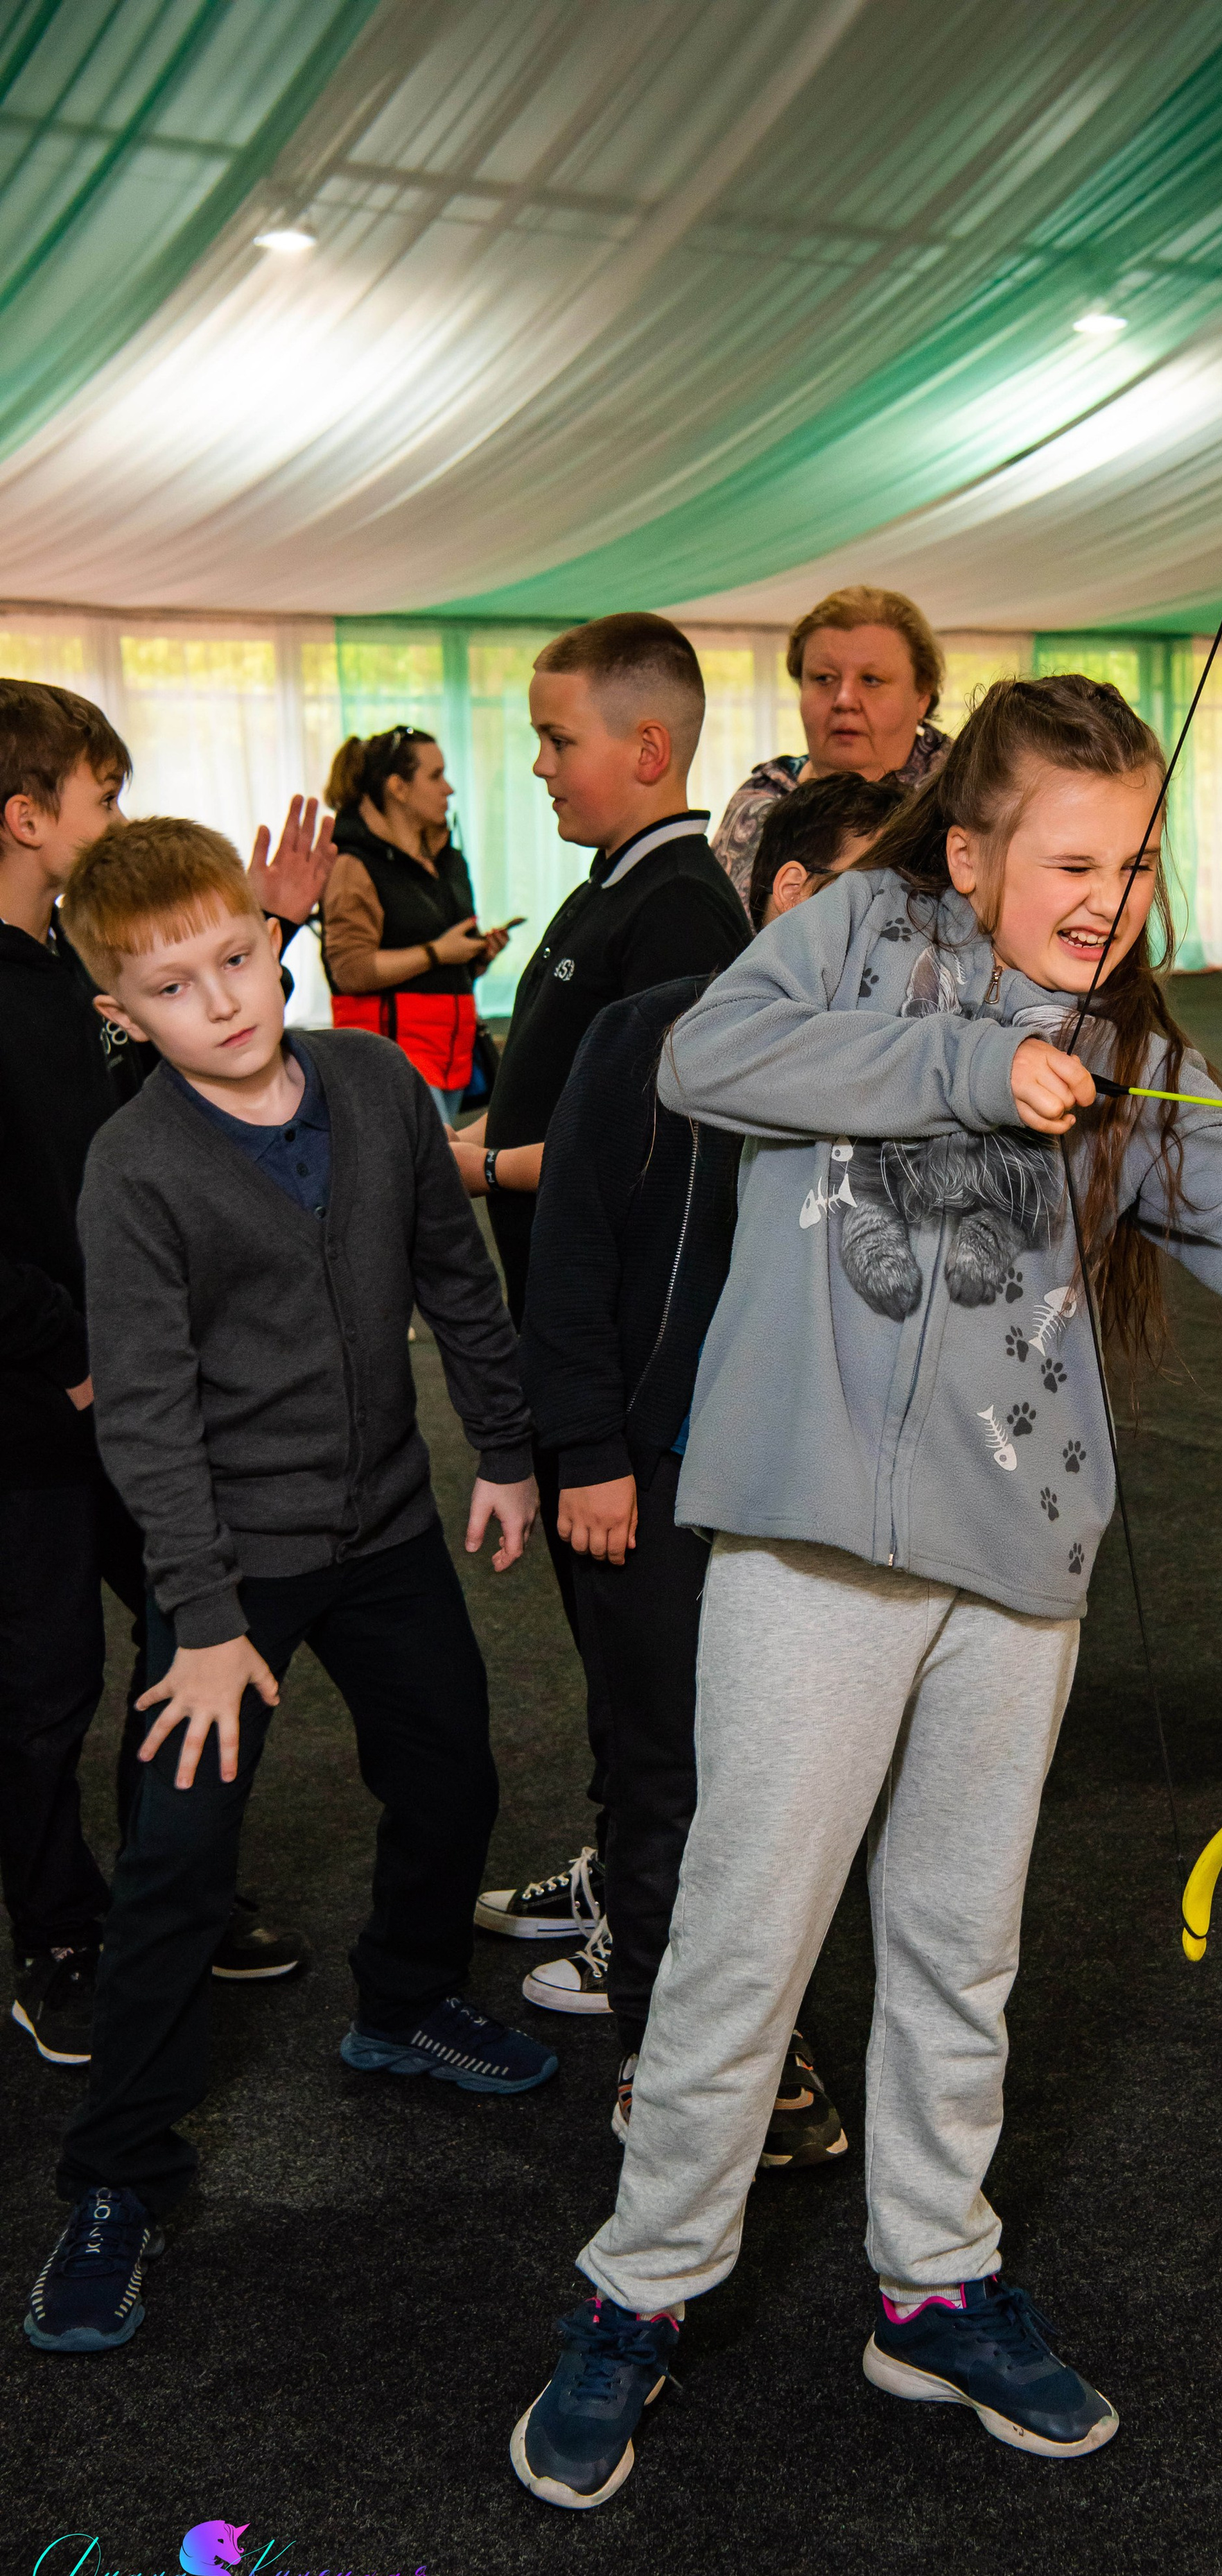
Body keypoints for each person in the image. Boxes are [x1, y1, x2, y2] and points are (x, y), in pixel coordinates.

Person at [505, 674, 1222, 2508]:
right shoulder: (858, 938)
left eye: (1140, 858)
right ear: (971, 851)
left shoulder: (1132, 1050)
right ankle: (642, 2290)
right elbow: (708, 1061)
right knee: (740, 1942)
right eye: (1073, 857)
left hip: (1018, 1564)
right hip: (815, 1559)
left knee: (959, 1939)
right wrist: (965, 1061)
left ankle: (931, 2281)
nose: (1111, 894)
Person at [24, 818, 551, 2355]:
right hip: (228, 1572)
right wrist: (196, 1618)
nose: (226, 1002)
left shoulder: (382, 1087)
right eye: (177, 988)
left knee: (452, 1776)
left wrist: (505, 1455)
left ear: (277, 936)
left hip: (385, 1529)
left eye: (239, 959)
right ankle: (118, 2176)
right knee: (177, 1861)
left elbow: (456, 1279)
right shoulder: (135, 1167)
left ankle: (399, 2003)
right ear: (122, 1013)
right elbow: (146, 1410)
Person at [514, 777, 900, 2188]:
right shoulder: (649, 1034)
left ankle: (764, 2026)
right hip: (651, 1476)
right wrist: (590, 1455)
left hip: (796, 1493)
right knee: (663, 1773)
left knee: (777, 1780)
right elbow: (567, 1264)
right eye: (884, 902)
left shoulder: (892, 1064)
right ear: (793, 896)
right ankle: (661, 2054)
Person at [0, 686, 326, 2071]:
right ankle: (61, 1935)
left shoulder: (76, 970)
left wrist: (281, 933)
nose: (117, 822)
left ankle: (161, 1893)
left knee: (202, 1637)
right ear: (29, 817)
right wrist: (69, 1354)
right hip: (26, 1411)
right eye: (102, 797)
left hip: (131, 1395)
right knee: (38, 1689)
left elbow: (178, 1061)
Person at [460, 614, 749, 1951]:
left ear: (647, 746)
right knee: (613, 1658)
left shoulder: (682, 902)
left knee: (652, 1670)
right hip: (580, 1345)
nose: (537, 767)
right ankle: (619, 1860)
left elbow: (647, 1154)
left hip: (632, 1367)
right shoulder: (609, 884)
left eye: (554, 739)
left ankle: (650, 1922)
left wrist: (484, 1164)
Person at [708, 585, 950, 894]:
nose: (844, 700)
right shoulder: (756, 803)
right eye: (823, 679)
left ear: (922, 696)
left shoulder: (964, 800)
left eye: (871, 680)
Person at [322, 726, 508, 1120]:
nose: (449, 789)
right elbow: (349, 971)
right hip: (390, 1061)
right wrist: (438, 953)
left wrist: (474, 958)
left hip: (453, 1058)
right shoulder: (353, 865)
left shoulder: (449, 862)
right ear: (398, 788)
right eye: (436, 776)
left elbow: (441, 971)